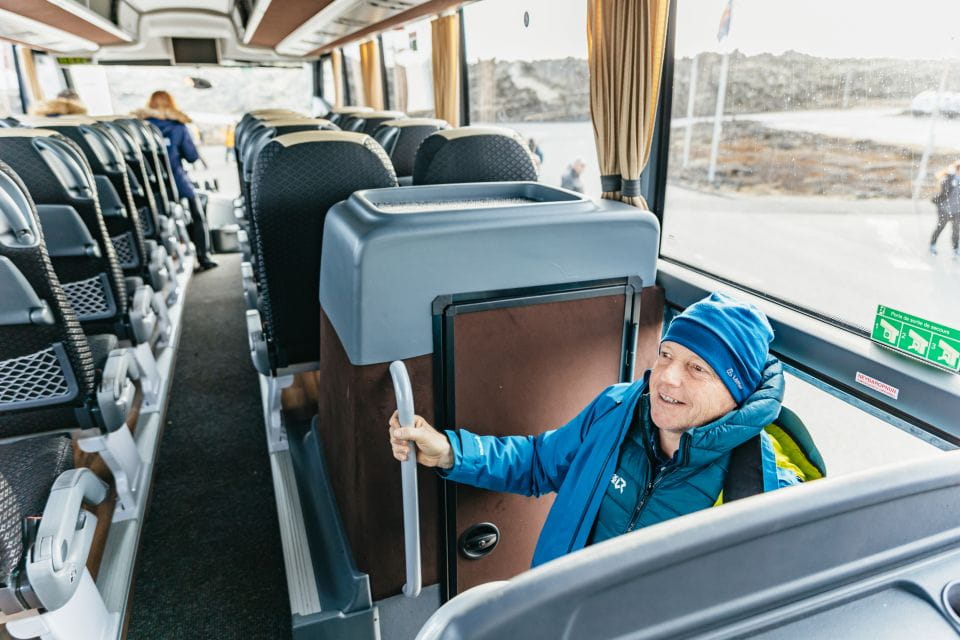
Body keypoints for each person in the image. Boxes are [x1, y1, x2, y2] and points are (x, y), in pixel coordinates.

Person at [389, 293, 804, 568]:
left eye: (697, 368)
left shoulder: (763, 491)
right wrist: (449, 451)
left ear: (736, 393)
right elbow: (538, 462)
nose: (667, 379)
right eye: (665, 355)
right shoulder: (617, 408)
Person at [134, 90, 218, 271]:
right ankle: (203, 257)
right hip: (176, 181)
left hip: (147, 184)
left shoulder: (138, 128)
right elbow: (191, 156)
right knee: (197, 215)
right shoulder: (178, 127)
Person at [930, 162, 960, 258]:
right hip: (945, 210)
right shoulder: (949, 179)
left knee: (956, 231)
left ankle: (955, 249)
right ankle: (932, 244)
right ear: (957, 170)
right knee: (940, 228)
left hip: (957, 211)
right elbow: (943, 191)